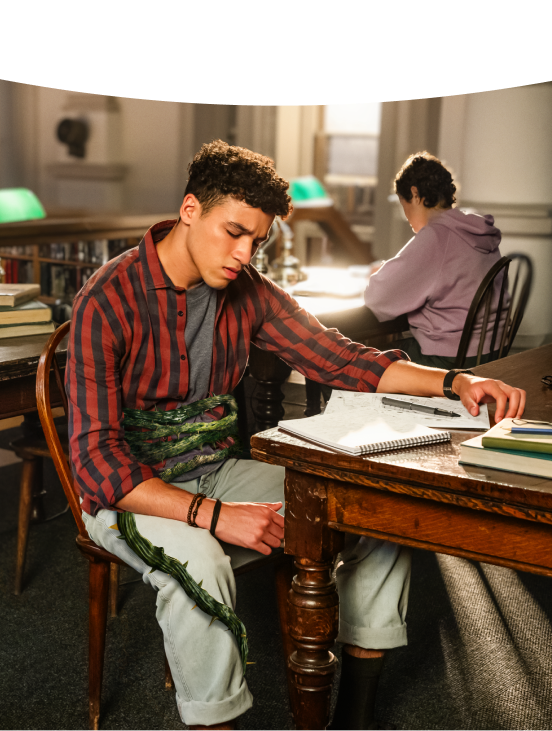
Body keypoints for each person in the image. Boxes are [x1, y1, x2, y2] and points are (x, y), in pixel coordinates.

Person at [66, 140, 526, 731]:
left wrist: (455, 380)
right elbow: (97, 463)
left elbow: (341, 358)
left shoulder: (248, 290)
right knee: (202, 562)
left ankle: (353, 717)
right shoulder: (107, 300)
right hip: (131, 493)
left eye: (255, 241)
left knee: (370, 509)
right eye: (233, 232)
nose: (242, 254)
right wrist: (212, 515)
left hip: (217, 471)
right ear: (189, 211)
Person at [365, 152, 507, 369]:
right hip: (492, 352)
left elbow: (377, 298)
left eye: (405, 206)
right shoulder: (476, 231)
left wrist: (380, 273)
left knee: (356, 362)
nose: (407, 218)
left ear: (414, 194)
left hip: (450, 358)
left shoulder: (437, 237)